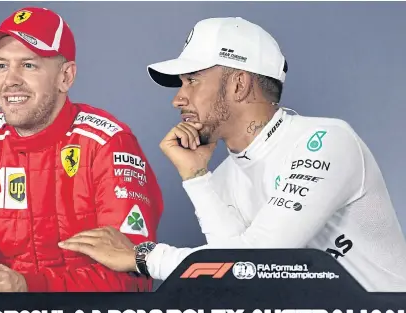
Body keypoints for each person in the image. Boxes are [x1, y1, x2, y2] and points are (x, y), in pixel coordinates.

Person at [59, 17, 406, 292]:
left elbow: (257, 260)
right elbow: (241, 280)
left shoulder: (327, 140)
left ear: (239, 84)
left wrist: (142, 256)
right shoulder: (221, 178)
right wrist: (197, 178)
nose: (178, 99)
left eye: (192, 80)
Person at [0, 7, 163, 304]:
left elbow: (134, 274)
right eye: (1, 65)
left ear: (66, 76)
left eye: (29, 65)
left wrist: (27, 288)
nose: (10, 80)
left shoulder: (108, 143)